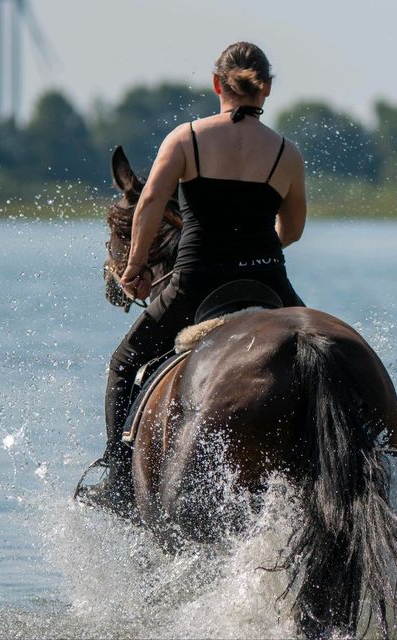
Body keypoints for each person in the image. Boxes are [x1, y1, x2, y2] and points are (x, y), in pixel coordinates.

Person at [76, 41, 307, 512]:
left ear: (217, 84)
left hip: (196, 282)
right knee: (312, 353)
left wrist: (134, 267)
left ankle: (119, 479)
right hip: (270, 281)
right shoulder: (286, 152)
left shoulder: (188, 140)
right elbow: (294, 230)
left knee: (124, 363)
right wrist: (255, 252)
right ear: (267, 89)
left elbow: (149, 206)